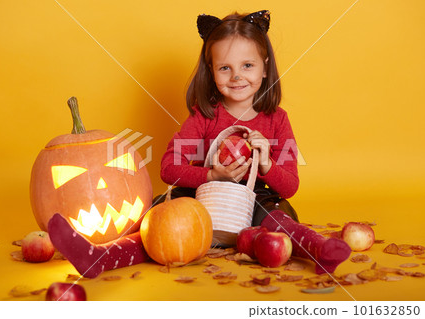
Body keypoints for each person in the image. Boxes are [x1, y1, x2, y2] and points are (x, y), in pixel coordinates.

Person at [48, 10, 350, 279]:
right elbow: (168, 168)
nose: (236, 77)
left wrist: (268, 163)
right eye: (224, 68)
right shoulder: (204, 116)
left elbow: (289, 186)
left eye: (247, 65)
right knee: (158, 220)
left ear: (265, 68)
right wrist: (212, 176)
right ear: (211, 69)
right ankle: (102, 257)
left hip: (254, 198)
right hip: (202, 195)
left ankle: (319, 249)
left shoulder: (277, 120)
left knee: (278, 214)